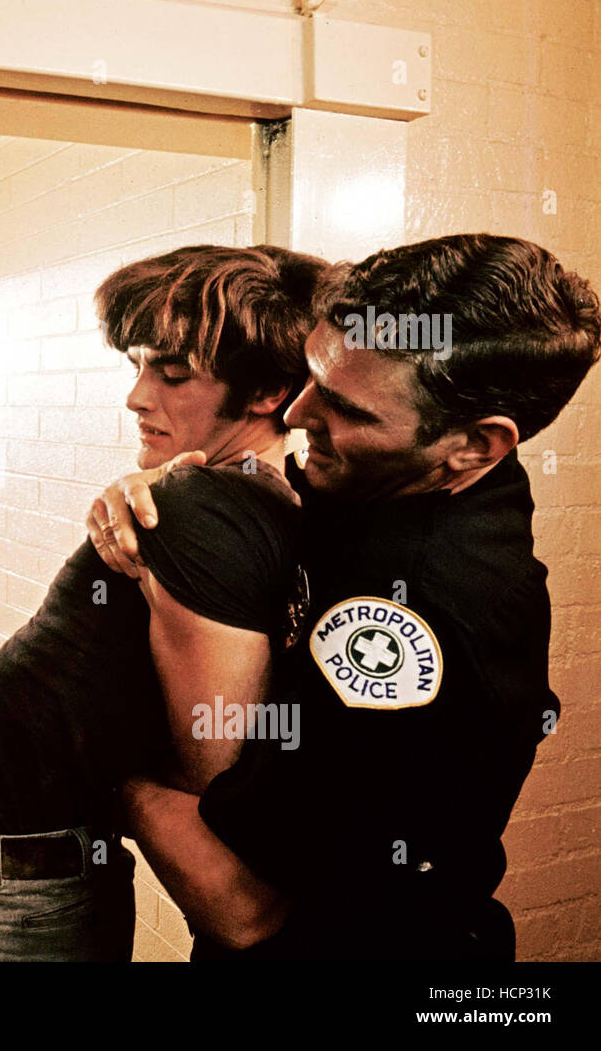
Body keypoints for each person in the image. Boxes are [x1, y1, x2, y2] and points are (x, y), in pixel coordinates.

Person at [90, 233, 601, 959]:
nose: (296, 416)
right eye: (310, 377)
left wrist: (110, 774)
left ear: (476, 445)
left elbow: (242, 907)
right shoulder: (391, 485)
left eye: (347, 410)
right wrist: (164, 490)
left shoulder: (415, 619)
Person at [0, 244, 327, 961]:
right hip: (31, 837)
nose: (137, 397)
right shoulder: (257, 490)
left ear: (267, 393)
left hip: (14, 853)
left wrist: (124, 786)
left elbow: (216, 779)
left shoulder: (205, 505)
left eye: (171, 374)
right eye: (138, 366)